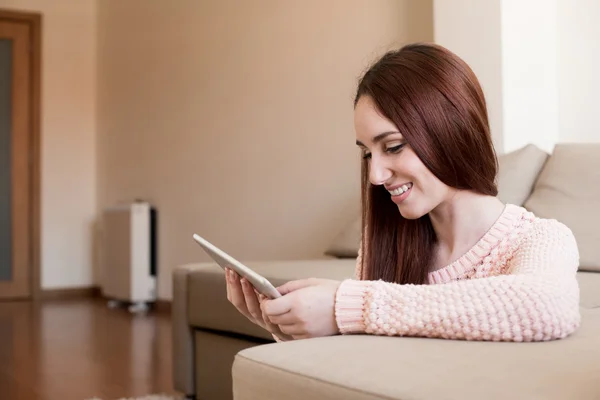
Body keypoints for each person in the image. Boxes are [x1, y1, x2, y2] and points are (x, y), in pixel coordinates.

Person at [224, 42, 581, 343]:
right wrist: (293, 329)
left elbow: (547, 306)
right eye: (367, 153)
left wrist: (347, 305)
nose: (375, 176)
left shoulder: (542, 239)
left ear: (450, 130)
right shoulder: (388, 240)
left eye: (392, 146)